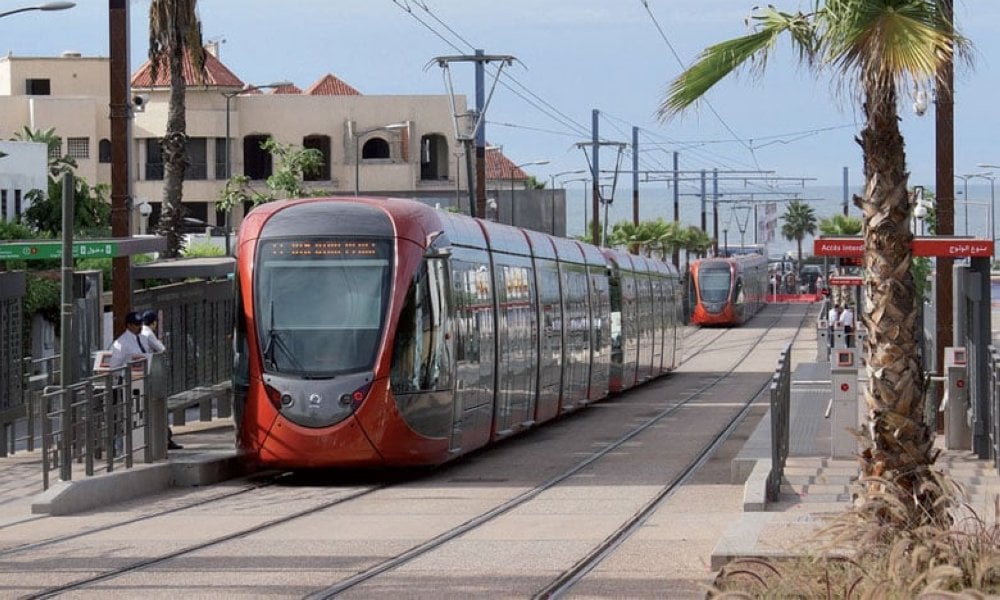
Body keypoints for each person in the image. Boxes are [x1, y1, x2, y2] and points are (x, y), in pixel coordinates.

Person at [140, 309, 183, 450]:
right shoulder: (148, 333)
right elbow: (161, 349)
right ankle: (166, 440)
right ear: (153, 323)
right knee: (160, 408)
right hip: (152, 377)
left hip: (137, 377)